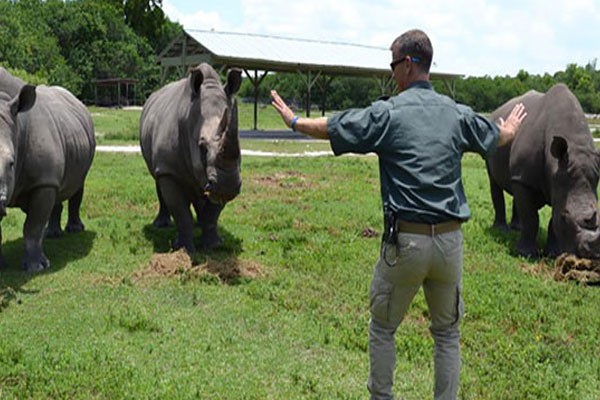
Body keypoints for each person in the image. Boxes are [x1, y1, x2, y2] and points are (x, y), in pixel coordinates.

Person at [270, 29, 527, 400]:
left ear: (407, 64)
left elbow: (337, 126)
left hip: (407, 242)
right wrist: (512, 129)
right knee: (447, 334)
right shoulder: (456, 114)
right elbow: (497, 137)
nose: (391, 72)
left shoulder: (388, 113)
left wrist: (295, 122)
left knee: (383, 328)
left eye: (393, 64)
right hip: (450, 245)